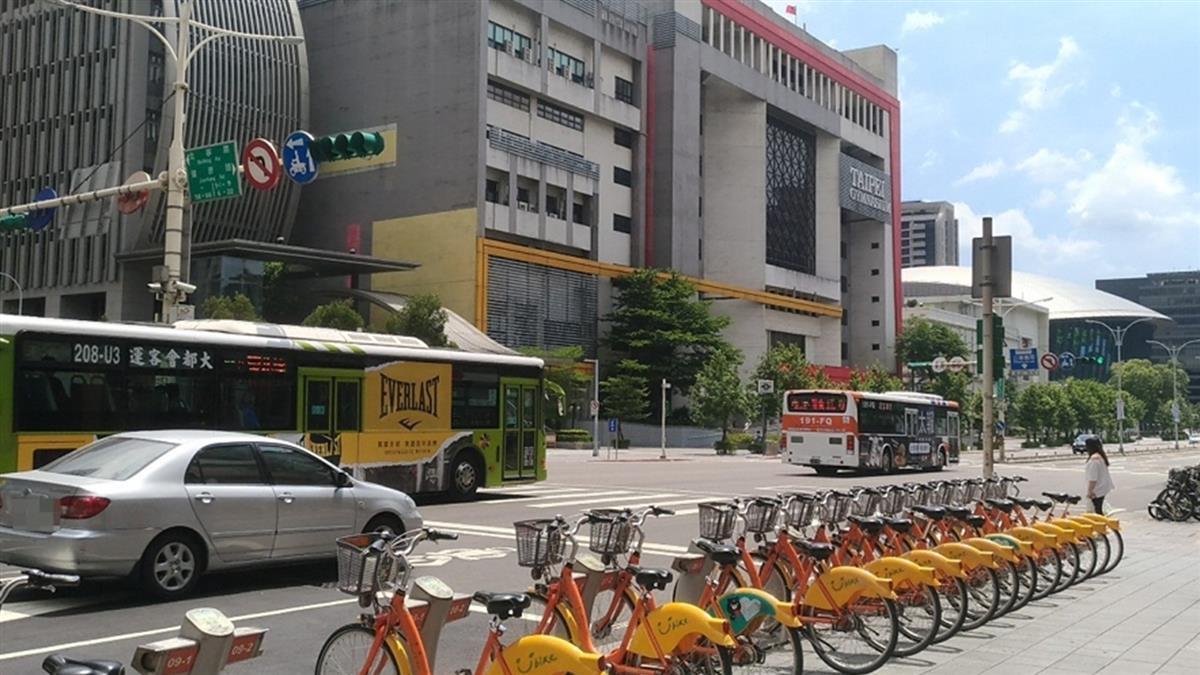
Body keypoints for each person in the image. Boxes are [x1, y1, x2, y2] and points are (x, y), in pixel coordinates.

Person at [1084, 437, 1114, 513]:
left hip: (1097, 490)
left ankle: (1102, 525)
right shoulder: (1100, 457)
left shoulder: (1094, 460)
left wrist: (1090, 491)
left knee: (1097, 512)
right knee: (1099, 509)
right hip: (1102, 488)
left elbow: (1093, 478)